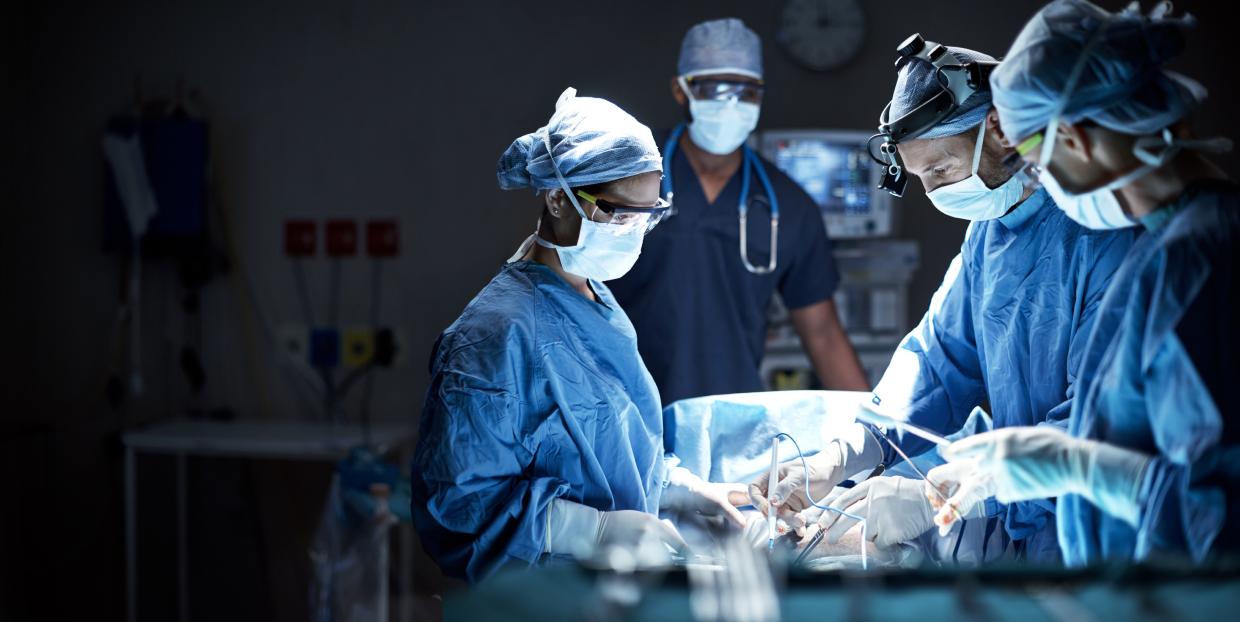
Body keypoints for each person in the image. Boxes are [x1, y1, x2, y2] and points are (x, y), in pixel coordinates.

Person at [750, 36, 1135, 565]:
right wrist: (843, 457)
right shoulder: (989, 234)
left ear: (1000, 130)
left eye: (942, 171)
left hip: (1111, 537)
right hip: (1029, 523)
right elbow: (938, 363)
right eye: (920, 178)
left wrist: (942, 494)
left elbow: (1100, 429)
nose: (934, 193)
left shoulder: (1105, 235)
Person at [927, 0, 1239, 566]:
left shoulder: (1196, 264)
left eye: (1036, 164)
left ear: (1073, 139)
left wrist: (1075, 465)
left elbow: (1219, 512)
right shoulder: (1170, 248)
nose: (1039, 182)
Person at [411, 88, 743, 583]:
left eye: (648, 215)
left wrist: (680, 488)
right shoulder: (491, 338)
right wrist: (592, 531)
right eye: (619, 213)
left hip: (608, 591)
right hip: (538, 601)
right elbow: (461, 506)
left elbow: (619, 445)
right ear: (557, 198)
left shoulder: (595, 301)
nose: (633, 231)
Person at [609, 18, 868, 422]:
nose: (730, 103)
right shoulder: (627, 174)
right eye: (714, 88)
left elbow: (823, 334)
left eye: (746, 91)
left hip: (729, 419)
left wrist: (881, 435)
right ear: (681, 89)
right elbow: (563, 281)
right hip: (619, 406)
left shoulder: (789, 206)